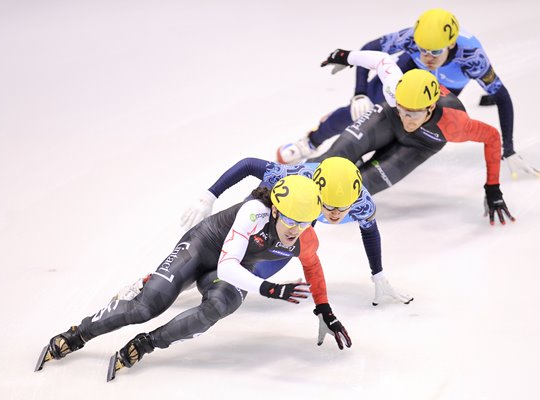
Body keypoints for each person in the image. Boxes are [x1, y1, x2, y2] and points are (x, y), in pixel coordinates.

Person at [34, 175, 352, 381]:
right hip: (203, 248)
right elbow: (228, 265)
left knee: (221, 306)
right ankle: (78, 334)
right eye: (291, 220)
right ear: (274, 211)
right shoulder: (253, 212)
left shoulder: (306, 238)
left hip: (227, 270)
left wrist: (325, 310)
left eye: (305, 222)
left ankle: (147, 344)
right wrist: (268, 287)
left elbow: (312, 268)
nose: (295, 230)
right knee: (148, 307)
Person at [276, 8, 540, 180]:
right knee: (361, 112)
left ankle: (358, 161)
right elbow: (371, 50)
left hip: (438, 93)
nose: (427, 56)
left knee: (402, 131)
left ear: (451, 43)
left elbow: (502, 96)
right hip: (406, 74)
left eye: (435, 52)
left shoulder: (472, 58)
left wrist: (509, 149)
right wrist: (360, 94)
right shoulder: (410, 39)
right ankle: (309, 142)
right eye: (422, 48)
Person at [178, 156, 413, 306]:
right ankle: (173, 278)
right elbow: (248, 164)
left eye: (342, 209)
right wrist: (209, 196)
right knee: (224, 247)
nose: (333, 214)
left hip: (300, 220)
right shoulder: (298, 177)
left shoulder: (363, 204)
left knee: (252, 272)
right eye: (328, 206)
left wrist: (378, 274)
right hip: (272, 206)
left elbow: (370, 233)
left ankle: (197, 279)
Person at [310, 60, 515, 226]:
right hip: (388, 118)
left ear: (430, 107)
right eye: (403, 109)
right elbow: (377, 58)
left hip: (420, 145)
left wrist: (492, 187)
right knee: (328, 160)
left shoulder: (455, 123)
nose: (407, 119)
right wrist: (347, 56)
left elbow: (492, 137)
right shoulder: (393, 88)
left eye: (413, 113)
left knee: (353, 192)